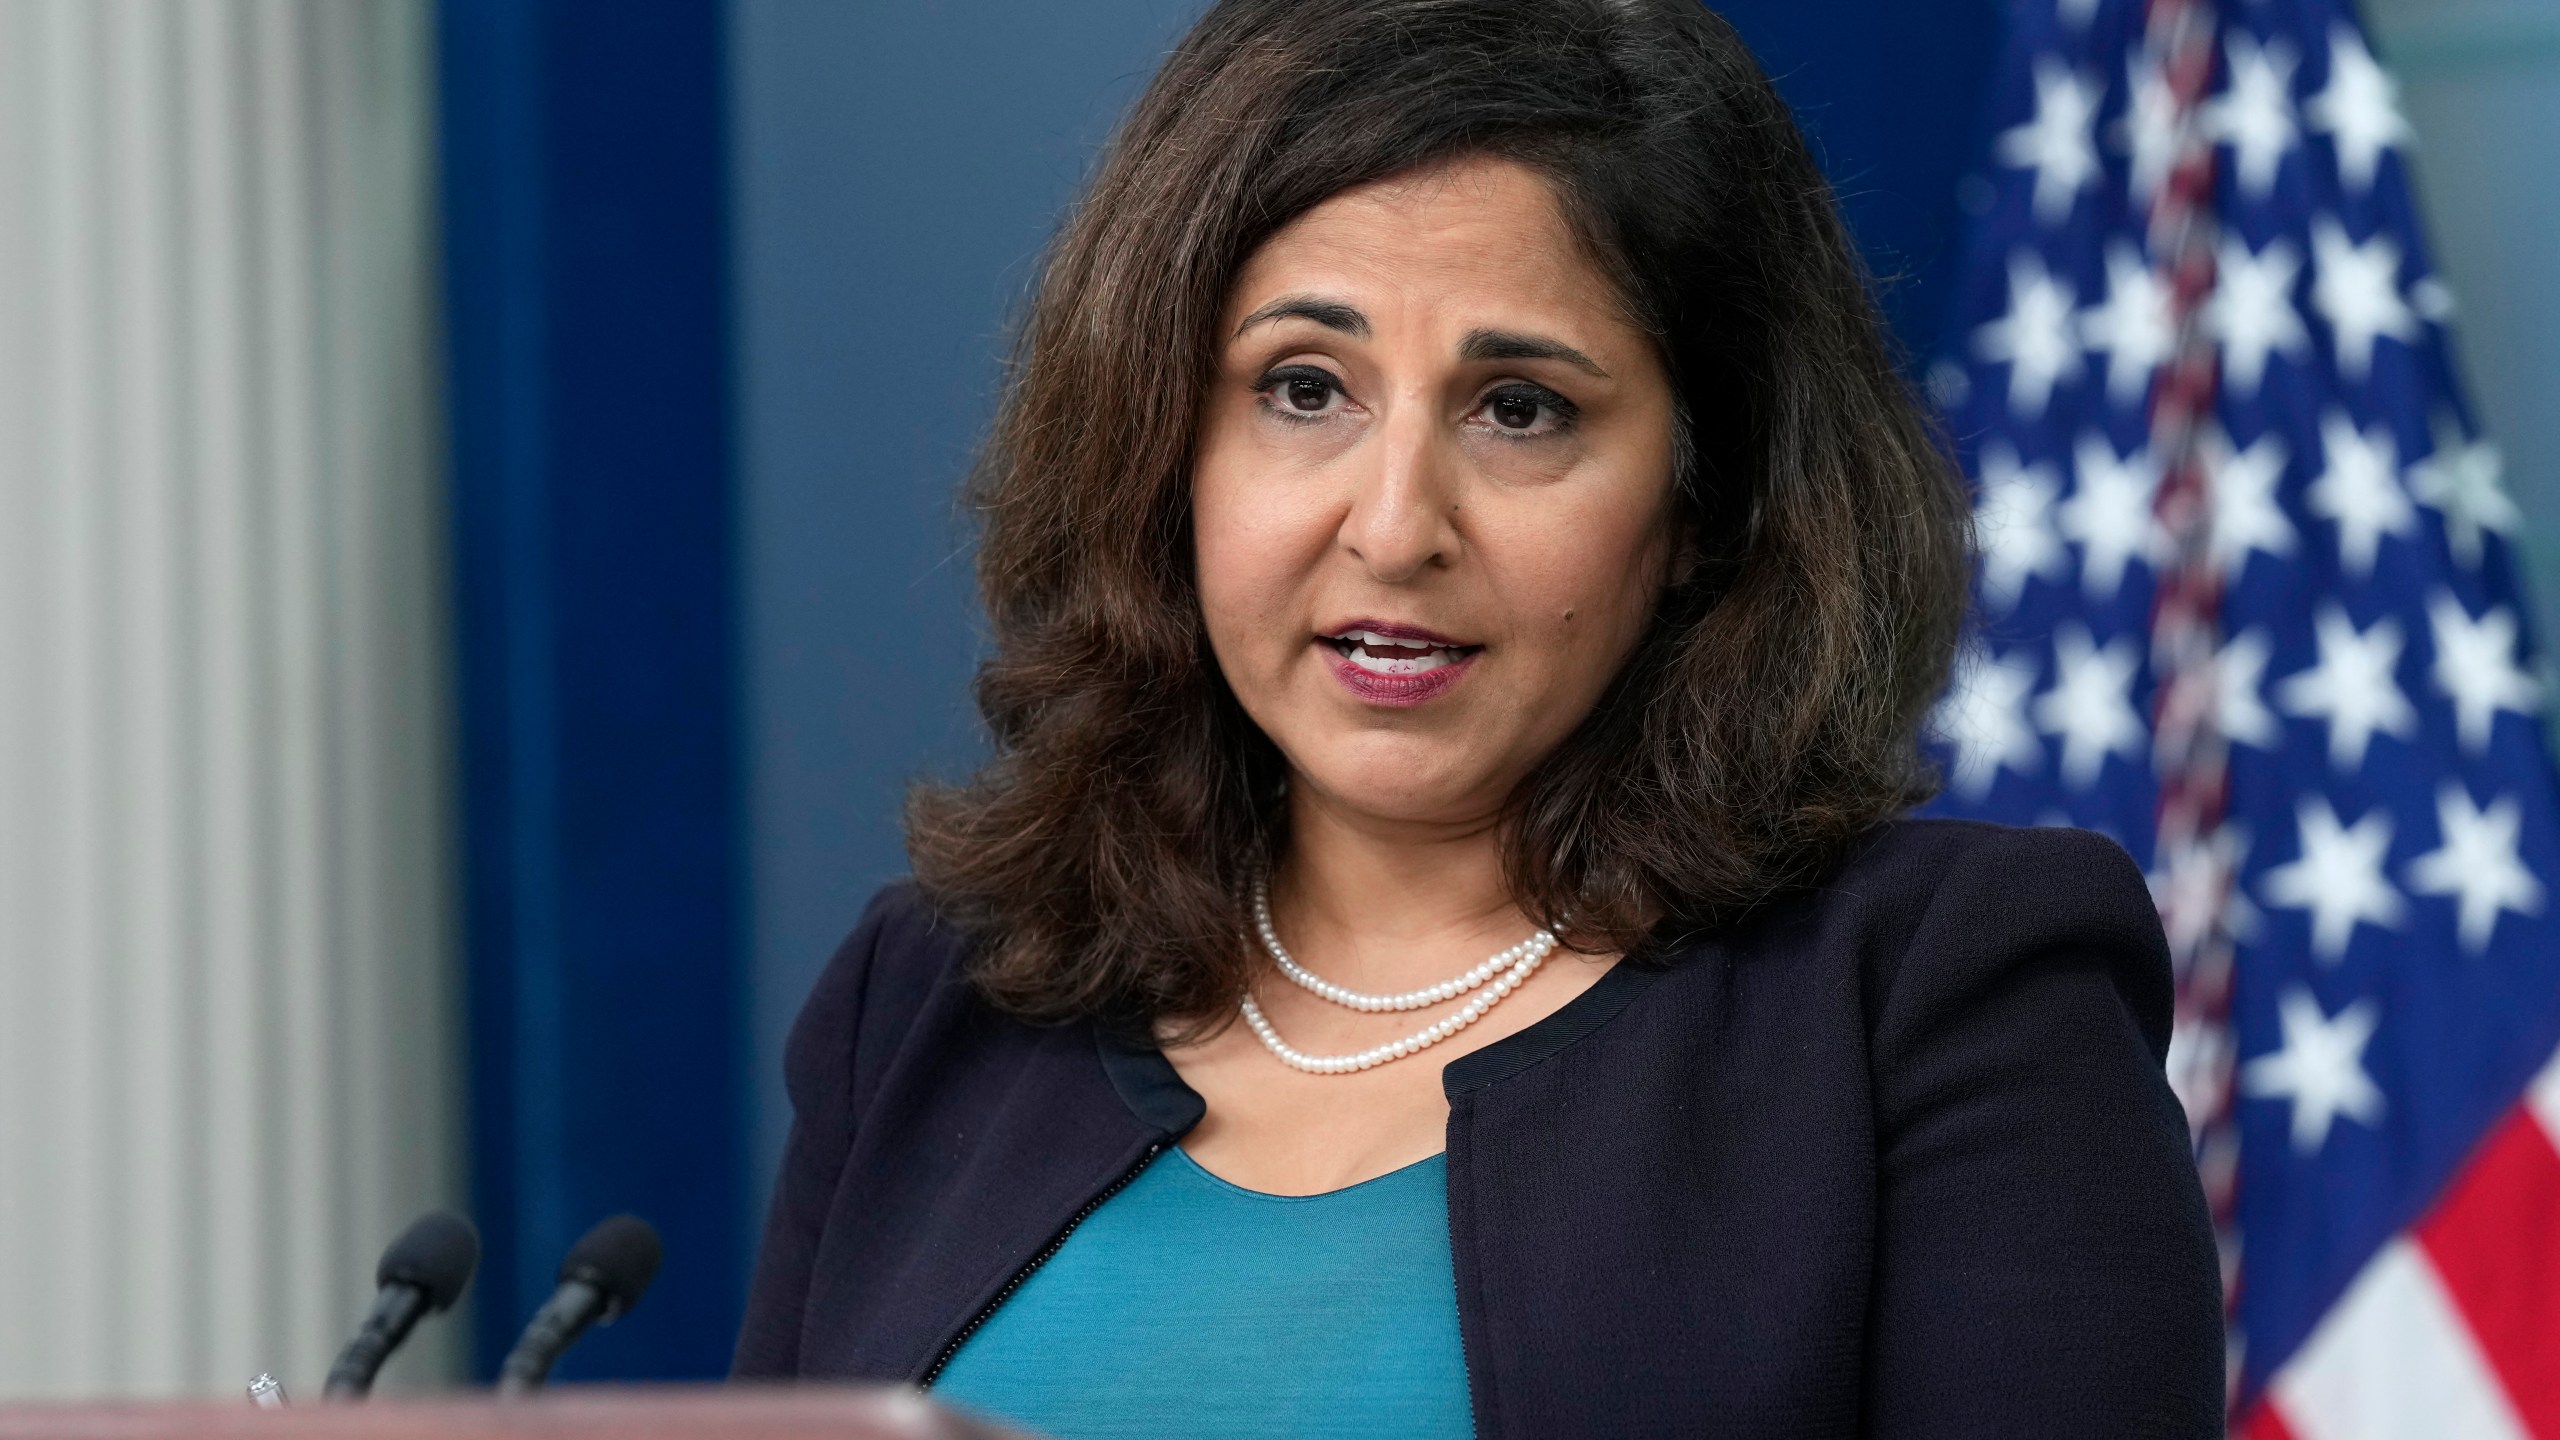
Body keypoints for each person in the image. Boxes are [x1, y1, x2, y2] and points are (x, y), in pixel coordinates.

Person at [732, 0, 2225, 1435]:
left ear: (1709, 498)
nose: (1393, 528)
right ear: (1161, 440)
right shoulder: (928, 1005)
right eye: (1304, 389)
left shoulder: (1934, 998)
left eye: (1520, 408)